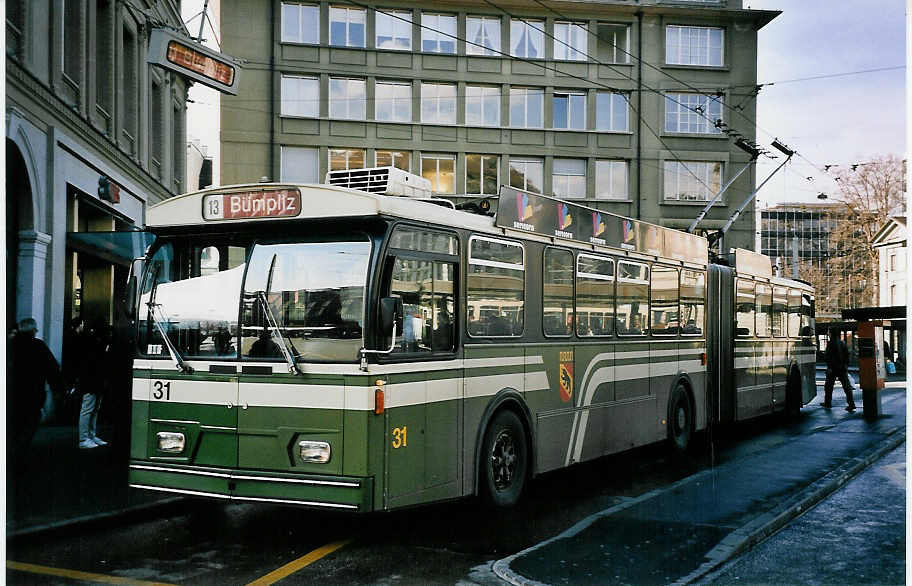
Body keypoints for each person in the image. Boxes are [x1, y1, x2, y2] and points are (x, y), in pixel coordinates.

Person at [7, 318, 67, 470]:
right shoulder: (38, 346)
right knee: (29, 426)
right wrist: (59, 391)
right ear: (33, 331)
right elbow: (52, 369)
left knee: (15, 425)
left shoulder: (10, 345)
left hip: (12, 394)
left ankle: (11, 453)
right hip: (33, 394)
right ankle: (19, 456)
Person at [823, 328, 857, 412]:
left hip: (833, 368)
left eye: (829, 332)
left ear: (831, 333)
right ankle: (851, 404)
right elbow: (847, 355)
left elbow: (828, 357)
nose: (828, 334)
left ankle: (828, 402)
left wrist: (829, 367)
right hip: (842, 368)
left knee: (828, 387)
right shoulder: (842, 343)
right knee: (847, 387)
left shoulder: (831, 343)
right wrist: (845, 365)